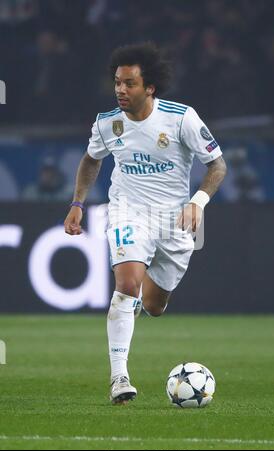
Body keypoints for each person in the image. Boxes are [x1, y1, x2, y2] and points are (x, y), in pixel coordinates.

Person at [64, 42, 227, 404]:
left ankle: (134, 304)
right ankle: (119, 378)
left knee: (153, 305)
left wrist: (197, 202)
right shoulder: (108, 124)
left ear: (149, 87)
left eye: (129, 84)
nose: (120, 90)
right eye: (117, 82)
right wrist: (78, 202)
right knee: (127, 283)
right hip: (128, 211)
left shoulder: (181, 118)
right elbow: (91, 160)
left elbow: (217, 166)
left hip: (175, 221)